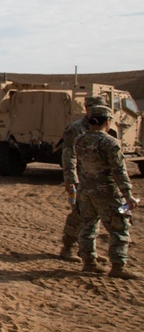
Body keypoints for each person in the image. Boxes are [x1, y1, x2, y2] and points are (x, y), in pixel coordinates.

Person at [75, 105, 141, 279]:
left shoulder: (80, 140)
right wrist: (128, 195)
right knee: (120, 228)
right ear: (108, 121)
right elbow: (119, 171)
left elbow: (80, 166)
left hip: (85, 190)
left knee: (88, 226)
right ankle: (118, 266)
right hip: (107, 193)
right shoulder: (110, 143)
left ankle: (89, 263)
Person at [58, 94, 108, 261]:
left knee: (95, 216)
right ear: (87, 109)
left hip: (97, 179)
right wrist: (71, 179)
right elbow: (68, 155)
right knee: (78, 213)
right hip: (81, 179)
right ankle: (68, 248)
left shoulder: (104, 125)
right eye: (93, 108)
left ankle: (88, 250)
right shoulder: (75, 129)